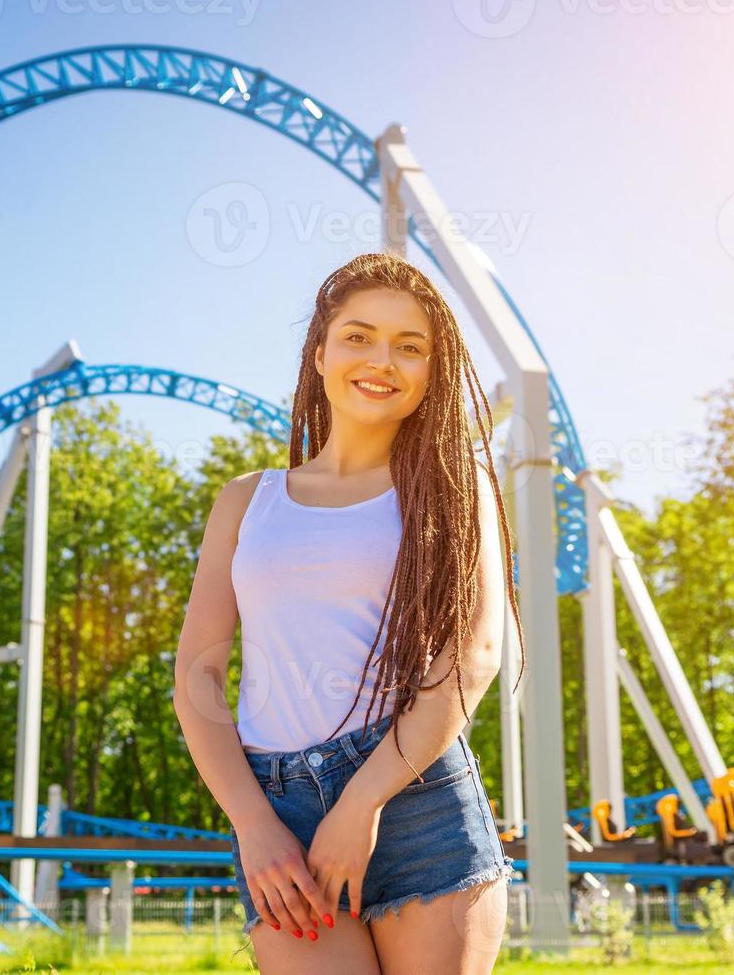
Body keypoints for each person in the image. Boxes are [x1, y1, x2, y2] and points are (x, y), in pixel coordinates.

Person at [173, 252, 527, 973]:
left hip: (414, 796)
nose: (382, 360)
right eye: (359, 336)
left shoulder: (460, 487)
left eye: (410, 346)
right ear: (321, 351)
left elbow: (474, 655)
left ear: (434, 370)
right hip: (277, 812)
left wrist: (361, 802)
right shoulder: (247, 499)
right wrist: (253, 825)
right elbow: (198, 674)